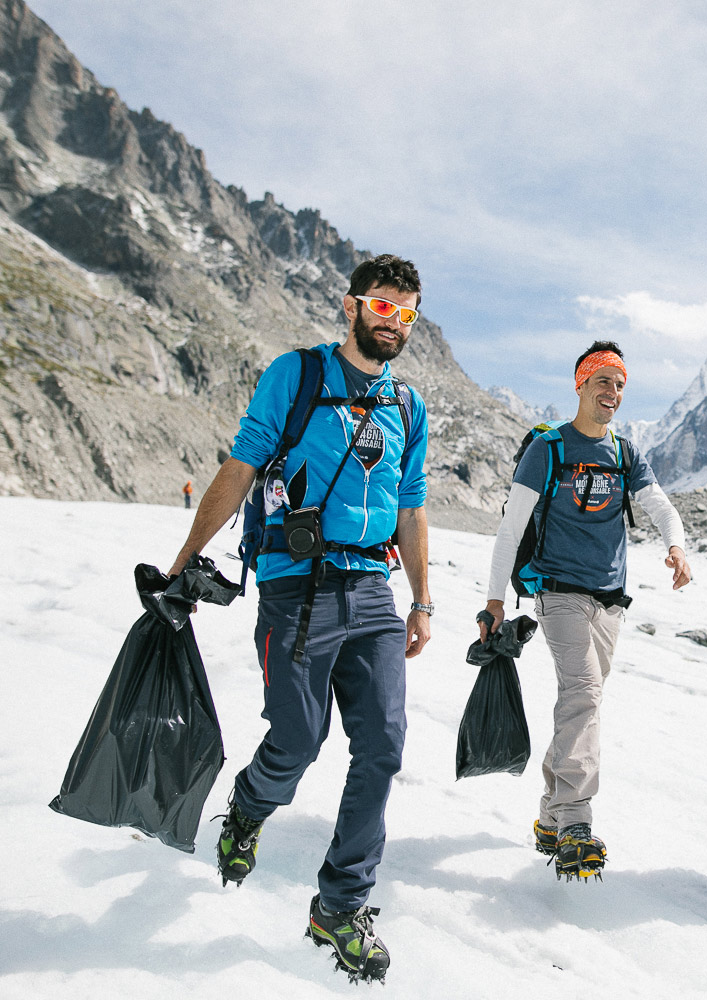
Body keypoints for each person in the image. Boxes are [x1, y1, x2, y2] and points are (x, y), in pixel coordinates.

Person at [166, 254, 432, 983]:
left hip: (372, 591)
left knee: (381, 747)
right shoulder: (299, 375)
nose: (394, 323)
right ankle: (250, 807)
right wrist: (184, 558)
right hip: (296, 586)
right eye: (382, 307)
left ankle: (339, 906)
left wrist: (420, 599)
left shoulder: (409, 407)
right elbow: (243, 464)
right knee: (296, 739)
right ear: (351, 307)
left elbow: (410, 508)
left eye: (406, 313)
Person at [480, 341, 692, 881]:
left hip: (610, 601)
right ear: (580, 384)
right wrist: (495, 600)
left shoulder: (624, 453)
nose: (612, 392)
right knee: (584, 694)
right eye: (602, 381)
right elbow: (511, 528)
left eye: (620, 384)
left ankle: (551, 815)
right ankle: (576, 819)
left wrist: (676, 546)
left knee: (583, 703)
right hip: (559, 593)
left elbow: (660, 505)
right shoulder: (548, 450)